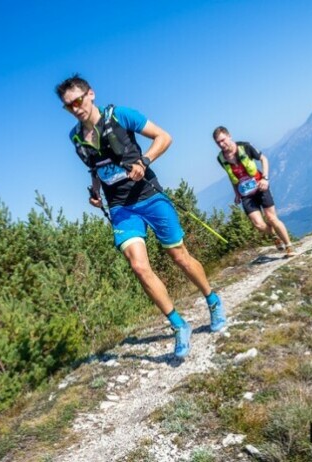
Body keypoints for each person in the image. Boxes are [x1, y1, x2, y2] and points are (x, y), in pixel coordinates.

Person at [55, 74, 225, 359]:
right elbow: (95, 168)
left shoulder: (120, 115)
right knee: (138, 267)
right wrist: (95, 192)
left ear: (91, 94)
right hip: (120, 207)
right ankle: (178, 325)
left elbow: (164, 137)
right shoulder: (76, 138)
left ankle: (213, 299)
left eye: (78, 100)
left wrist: (144, 162)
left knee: (179, 256)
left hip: (149, 195)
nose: (75, 108)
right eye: (68, 106)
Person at [212, 126, 296, 257]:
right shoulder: (221, 158)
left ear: (229, 136)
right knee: (259, 225)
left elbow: (264, 159)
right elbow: (231, 176)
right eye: (218, 143)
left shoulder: (245, 147)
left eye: (223, 140)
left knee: (271, 218)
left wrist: (265, 178)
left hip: (260, 187)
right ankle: (275, 235)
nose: (221, 144)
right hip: (245, 193)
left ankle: (289, 246)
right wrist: (236, 193)